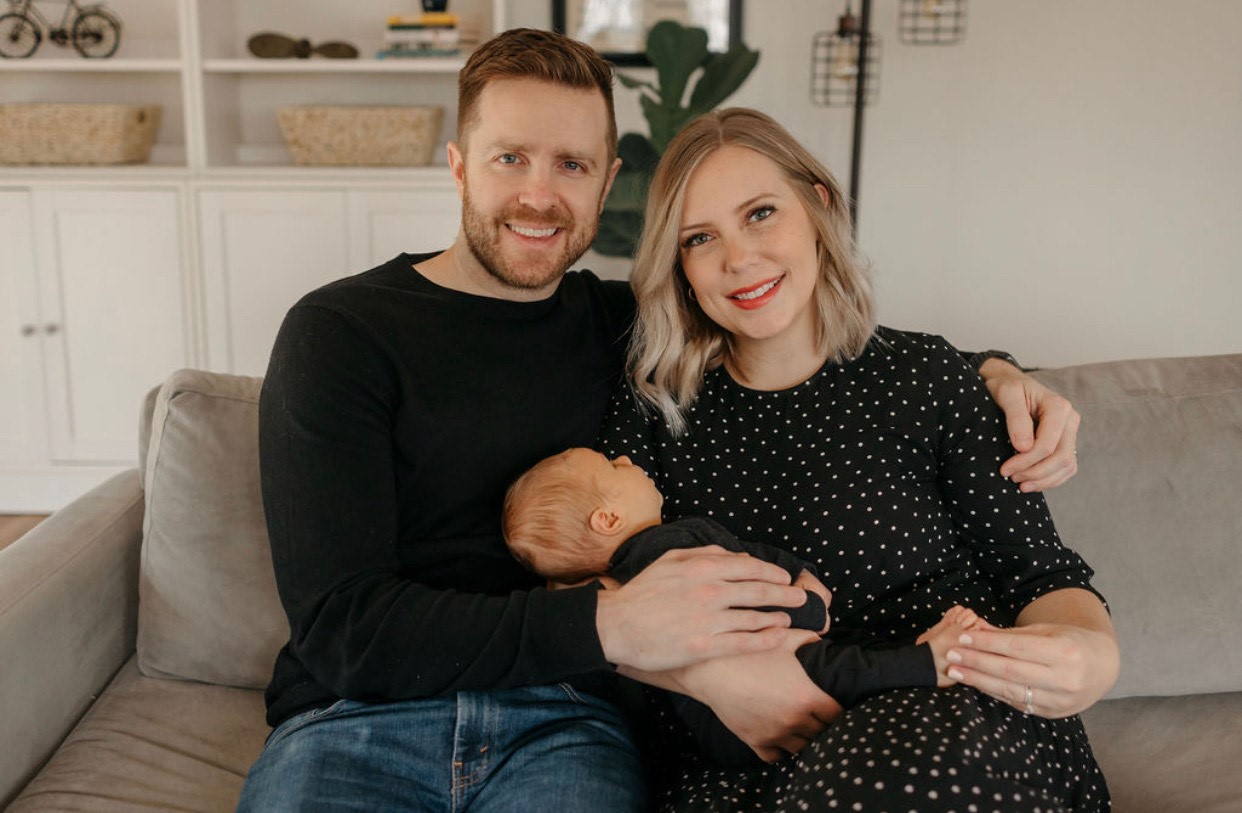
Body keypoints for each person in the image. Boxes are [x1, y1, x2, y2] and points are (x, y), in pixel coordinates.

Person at [237, 25, 1089, 811]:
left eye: (571, 164)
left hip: (564, 720)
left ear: (609, 182)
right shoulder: (340, 333)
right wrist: (616, 625)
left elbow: (800, 327)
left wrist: (1005, 376)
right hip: (355, 722)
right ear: (460, 164)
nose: (539, 195)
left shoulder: (628, 327)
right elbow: (342, 626)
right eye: (510, 159)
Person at [596, 106, 1120, 811]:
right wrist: (710, 678)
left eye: (760, 213)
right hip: (743, 753)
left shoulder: (931, 378)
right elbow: (583, 596)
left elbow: (1042, 574)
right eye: (700, 237)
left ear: (818, 205)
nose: (739, 258)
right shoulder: (654, 412)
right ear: (679, 264)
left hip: (945, 721)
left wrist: (1092, 654)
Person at [502, 445, 990, 768]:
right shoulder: (668, 551)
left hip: (716, 731)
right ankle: (930, 663)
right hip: (761, 687)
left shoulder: (630, 577)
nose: (627, 458)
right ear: (608, 518)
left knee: (843, 661)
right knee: (837, 667)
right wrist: (810, 606)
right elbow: (748, 600)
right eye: (612, 466)